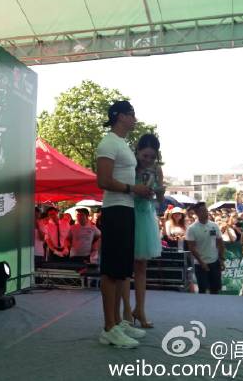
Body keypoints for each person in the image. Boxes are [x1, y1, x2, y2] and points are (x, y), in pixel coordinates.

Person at [96, 100, 151, 348]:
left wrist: (141, 189)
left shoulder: (122, 144)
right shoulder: (108, 143)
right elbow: (103, 180)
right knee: (111, 270)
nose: (135, 118)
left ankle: (118, 322)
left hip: (127, 209)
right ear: (120, 116)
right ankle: (109, 327)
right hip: (115, 209)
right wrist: (132, 188)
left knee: (121, 270)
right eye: (131, 114)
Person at [131, 133, 164, 328]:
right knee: (125, 268)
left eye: (152, 157)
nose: (148, 160)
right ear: (137, 152)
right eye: (145, 156)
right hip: (129, 214)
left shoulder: (157, 170)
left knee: (141, 267)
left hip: (145, 217)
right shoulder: (130, 166)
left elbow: (160, 200)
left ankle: (140, 309)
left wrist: (159, 192)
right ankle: (126, 312)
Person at [185, 202, 225, 294]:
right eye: (202, 211)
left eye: (206, 210)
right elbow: (192, 248)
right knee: (203, 290)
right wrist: (202, 262)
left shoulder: (214, 225)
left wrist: (221, 259)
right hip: (200, 264)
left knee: (215, 289)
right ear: (197, 213)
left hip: (214, 262)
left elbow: (220, 243)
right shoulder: (192, 229)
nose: (206, 213)